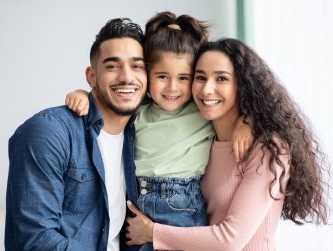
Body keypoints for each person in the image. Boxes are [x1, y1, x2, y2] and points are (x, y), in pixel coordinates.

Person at [65, 12, 252, 251]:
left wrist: (246, 123)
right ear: (147, 75)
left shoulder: (200, 111)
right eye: (162, 76)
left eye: (183, 78)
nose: (172, 88)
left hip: (183, 207)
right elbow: (107, 99)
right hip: (135, 205)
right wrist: (83, 95)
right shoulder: (137, 110)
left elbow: (240, 106)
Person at [124, 38, 331, 251]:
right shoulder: (202, 137)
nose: (207, 89)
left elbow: (229, 240)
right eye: (200, 77)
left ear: (243, 85)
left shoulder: (267, 149)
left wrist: (151, 231)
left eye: (221, 78)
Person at [5, 18, 147, 251]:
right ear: (91, 77)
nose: (126, 77)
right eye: (112, 66)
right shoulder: (48, 133)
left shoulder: (142, 134)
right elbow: (37, 241)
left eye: (137, 66)